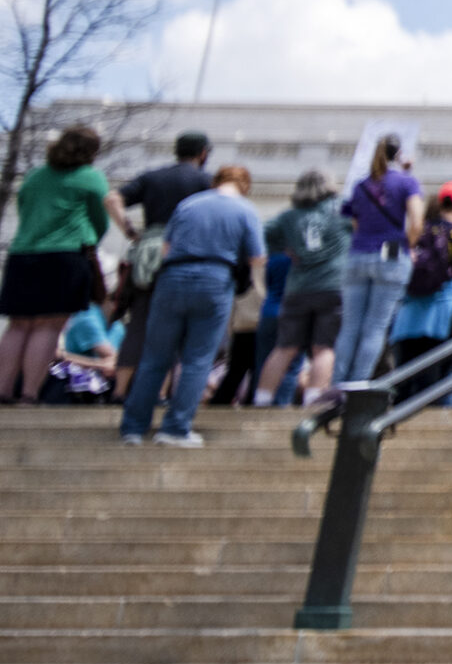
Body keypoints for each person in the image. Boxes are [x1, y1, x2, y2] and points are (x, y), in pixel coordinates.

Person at [120, 165, 264, 446]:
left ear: (216, 182)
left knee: (154, 357)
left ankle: (133, 427)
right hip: (215, 279)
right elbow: (257, 257)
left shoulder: (188, 205)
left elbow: (166, 248)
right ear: (244, 185)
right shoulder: (245, 210)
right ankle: (175, 428)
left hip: (172, 277)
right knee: (197, 359)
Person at [1, 127, 111, 404]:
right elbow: (100, 219)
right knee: (48, 326)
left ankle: (2, 390)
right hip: (65, 256)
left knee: (18, 325)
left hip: (22, 255)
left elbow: (24, 208)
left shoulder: (35, 176)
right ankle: (28, 394)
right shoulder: (90, 178)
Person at [105, 131, 212, 401]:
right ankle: (160, 393)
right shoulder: (204, 181)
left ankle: (119, 391)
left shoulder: (152, 176)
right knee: (174, 326)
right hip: (183, 255)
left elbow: (112, 199)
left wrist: (129, 230)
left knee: (138, 323)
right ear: (203, 153)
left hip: (147, 254)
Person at [336, 136, 425, 386]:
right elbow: (417, 221)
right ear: (399, 155)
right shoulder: (407, 182)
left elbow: (355, 223)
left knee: (350, 326)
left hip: (359, 254)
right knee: (375, 327)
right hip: (391, 254)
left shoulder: (361, 185)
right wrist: (407, 246)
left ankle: (337, 383)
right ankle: (356, 386)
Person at [256, 170, 348, 406]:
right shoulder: (341, 212)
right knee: (324, 348)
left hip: (297, 288)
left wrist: (285, 248)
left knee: (285, 347)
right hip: (332, 285)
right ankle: (313, 401)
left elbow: (263, 234)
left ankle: (262, 400)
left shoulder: (289, 217)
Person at [387, 184, 452, 404]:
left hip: (409, 311)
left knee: (405, 371)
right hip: (443, 309)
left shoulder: (417, 231)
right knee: (438, 374)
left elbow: (388, 254)